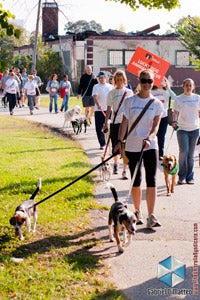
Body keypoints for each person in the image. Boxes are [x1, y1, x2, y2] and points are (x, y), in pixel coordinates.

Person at [114, 69, 163, 229]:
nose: (147, 84)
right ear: (139, 81)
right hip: (133, 146)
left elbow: (156, 126)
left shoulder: (156, 104)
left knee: (152, 180)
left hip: (150, 146)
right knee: (136, 180)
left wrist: (150, 137)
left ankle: (151, 216)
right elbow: (125, 123)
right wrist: (119, 141)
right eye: (144, 81)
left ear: (153, 82)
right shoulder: (130, 102)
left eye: (150, 81)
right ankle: (137, 211)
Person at [103, 70, 133, 179]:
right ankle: (115, 164)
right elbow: (108, 109)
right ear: (114, 81)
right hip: (115, 122)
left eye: (121, 79)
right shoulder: (112, 93)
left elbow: (132, 108)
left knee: (125, 147)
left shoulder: (129, 92)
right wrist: (106, 122)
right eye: (117, 80)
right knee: (115, 145)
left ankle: (124, 170)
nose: (119, 81)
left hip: (126, 123)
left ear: (124, 80)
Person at [172, 78, 200, 185]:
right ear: (183, 86)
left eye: (190, 85)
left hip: (195, 129)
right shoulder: (179, 99)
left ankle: (190, 177)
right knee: (184, 152)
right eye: (186, 85)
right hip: (182, 129)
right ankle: (182, 176)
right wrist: (174, 121)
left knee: (191, 154)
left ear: (193, 87)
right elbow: (175, 113)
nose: (188, 87)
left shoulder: (198, 98)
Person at [151, 77, 176, 160]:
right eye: (159, 80)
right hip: (153, 117)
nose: (161, 82)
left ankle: (160, 154)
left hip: (164, 117)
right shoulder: (152, 91)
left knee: (162, 136)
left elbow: (175, 97)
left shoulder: (166, 92)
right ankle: (154, 153)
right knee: (154, 135)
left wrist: (168, 87)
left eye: (163, 80)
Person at [92, 71, 114, 150]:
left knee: (109, 127)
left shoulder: (111, 87)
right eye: (100, 78)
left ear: (106, 78)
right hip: (99, 110)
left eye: (102, 78)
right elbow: (95, 96)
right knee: (99, 127)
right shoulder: (96, 86)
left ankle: (110, 142)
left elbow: (113, 97)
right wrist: (98, 105)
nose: (101, 79)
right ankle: (102, 143)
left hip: (109, 109)